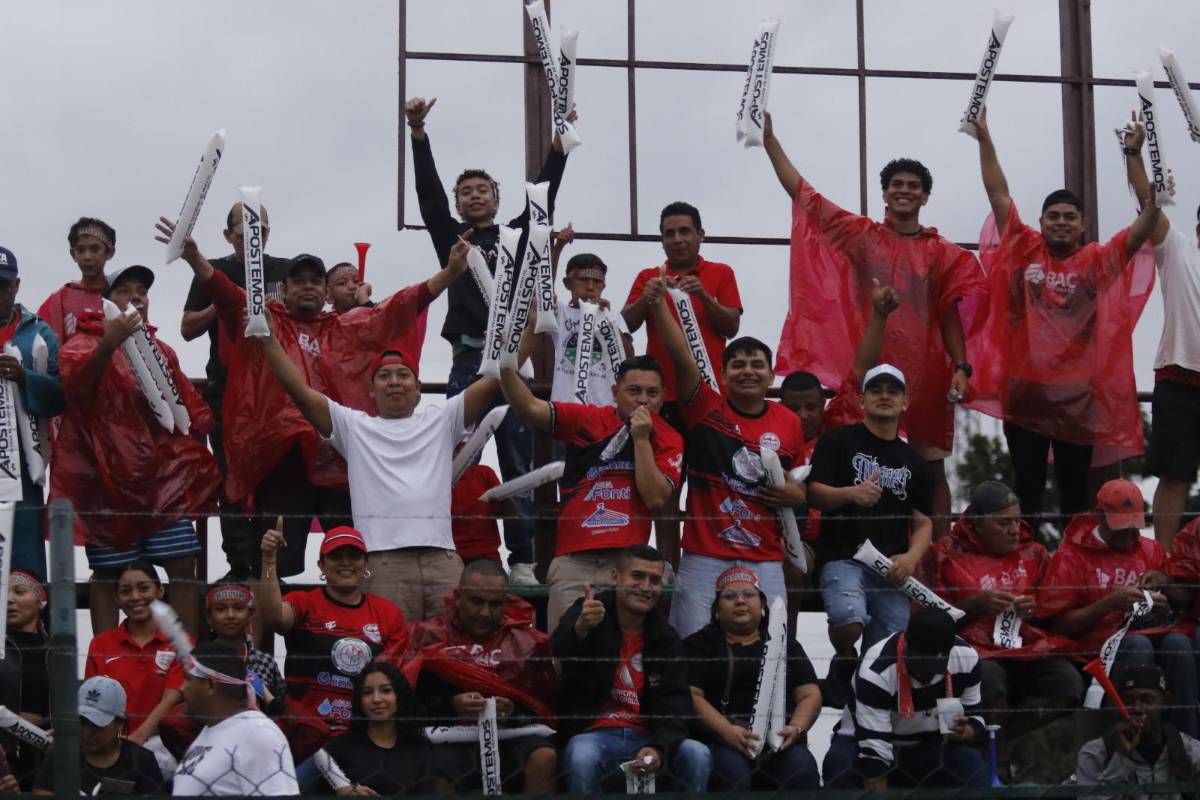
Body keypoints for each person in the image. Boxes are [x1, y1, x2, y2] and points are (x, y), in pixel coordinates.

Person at [253, 236, 533, 620]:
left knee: (448, 652)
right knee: (392, 658)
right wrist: (269, 343)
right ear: (370, 391)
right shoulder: (354, 426)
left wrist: (530, 328)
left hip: (443, 559)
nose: (395, 381)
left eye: (404, 375)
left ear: (419, 390)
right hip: (383, 563)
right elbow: (301, 393)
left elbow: (500, 376)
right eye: (384, 376)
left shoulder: (442, 419)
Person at [157, 219, 431, 579]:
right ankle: (265, 623)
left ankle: (351, 625)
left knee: (348, 552)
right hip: (280, 457)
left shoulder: (345, 327)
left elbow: (399, 307)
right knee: (274, 560)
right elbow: (225, 293)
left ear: (325, 291)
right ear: (282, 290)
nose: (308, 288)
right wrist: (196, 260)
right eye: (299, 281)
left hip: (337, 458)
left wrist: (449, 273)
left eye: (315, 281)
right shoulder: (264, 322)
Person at [765, 112, 985, 542]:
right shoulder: (862, 236)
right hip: (868, 368)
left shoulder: (943, 253)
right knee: (856, 455)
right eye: (896, 184)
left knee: (931, 465)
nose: (904, 190)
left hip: (926, 371)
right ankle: (848, 545)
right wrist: (772, 142)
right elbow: (806, 196)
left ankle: (935, 551)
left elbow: (948, 314)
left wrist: (962, 365)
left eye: (913, 186)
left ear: (925, 196)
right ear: (885, 193)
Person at [966, 110, 1162, 531]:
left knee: (1075, 490)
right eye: (1052, 215)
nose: (1060, 222)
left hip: (1076, 396)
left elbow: (1145, 223)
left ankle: (1069, 577)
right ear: (1040, 223)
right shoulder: (1023, 246)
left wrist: (1134, 155)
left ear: (1083, 225)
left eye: (1068, 217)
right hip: (1027, 391)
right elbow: (998, 193)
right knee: (1028, 486)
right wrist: (984, 138)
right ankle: (1029, 564)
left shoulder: (1097, 260)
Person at [406, 94, 574, 585]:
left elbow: (544, 192)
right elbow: (428, 197)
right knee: (460, 458)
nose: (474, 196)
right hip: (468, 360)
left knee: (518, 457)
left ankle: (522, 559)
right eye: (467, 192)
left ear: (497, 200)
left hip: (514, 362)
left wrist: (561, 146)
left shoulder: (516, 236)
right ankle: (457, 550)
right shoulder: (452, 242)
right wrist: (418, 134)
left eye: (483, 190)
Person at [54, 264, 217, 635]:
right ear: (108, 302)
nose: (136, 296)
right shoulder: (82, 343)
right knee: (109, 572)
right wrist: (109, 342)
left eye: (142, 290)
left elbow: (185, 411)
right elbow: (76, 389)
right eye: (125, 290)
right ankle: (106, 660)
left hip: (160, 485)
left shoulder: (162, 350)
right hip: (104, 483)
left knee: (182, 562)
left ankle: (184, 660)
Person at [646, 288, 806, 639]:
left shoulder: (789, 422)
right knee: (690, 645)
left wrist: (797, 494)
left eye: (756, 364)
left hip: (764, 556)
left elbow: (799, 479)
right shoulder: (706, 408)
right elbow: (681, 356)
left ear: (770, 374)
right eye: (738, 364)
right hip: (704, 555)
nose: (747, 371)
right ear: (723, 373)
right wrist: (659, 307)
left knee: (771, 647)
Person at [500, 354, 682, 629]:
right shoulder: (588, 419)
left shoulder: (668, 437)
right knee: (567, 654)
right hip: (573, 562)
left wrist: (642, 438)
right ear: (615, 392)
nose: (643, 400)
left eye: (652, 393)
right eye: (634, 391)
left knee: (620, 657)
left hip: (626, 564)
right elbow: (527, 406)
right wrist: (505, 360)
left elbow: (655, 496)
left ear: (663, 396)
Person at [929, 481, 1083, 777]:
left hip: (1026, 649)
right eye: (1003, 522)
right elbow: (930, 621)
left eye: (1017, 520)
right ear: (977, 523)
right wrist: (977, 604)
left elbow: (1054, 610)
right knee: (990, 680)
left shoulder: (1034, 552)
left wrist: (1035, 609)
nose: (1014, 529)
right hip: (975, 653)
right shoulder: (945, 553)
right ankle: (995, 764)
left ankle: (997, 742)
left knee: (1067, 684)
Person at [623, 202, 743, 561]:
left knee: (712, 485)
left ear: (700, 235)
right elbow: (626, 323)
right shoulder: (649, 275)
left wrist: (703, 295)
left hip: (708, 400)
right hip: (660, 401)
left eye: (684, 231)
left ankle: (708, 558)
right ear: (661, 241)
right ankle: (665, 565)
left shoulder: (720, 272)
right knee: (664, 488)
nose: (677, 239)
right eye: (669, 233)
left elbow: (732, 327)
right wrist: (648, 299)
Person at [806, 360, 933, 700]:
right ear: (862, 401)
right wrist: (852, 494)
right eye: (876, 390)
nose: (885, 397)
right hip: (843, 557)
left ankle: (861, 705)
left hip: (890, 568)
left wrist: (911, 557)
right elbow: (814, 493)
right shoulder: (837, 441)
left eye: (893, 391)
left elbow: (923, 522)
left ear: (905, 402)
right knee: (849, 619)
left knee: (889, 653)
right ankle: (844, 661)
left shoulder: (916, 461)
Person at [179, 202, 291, 580]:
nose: (254, 240)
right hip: (226, 387)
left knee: (275, 481)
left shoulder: (287, 270)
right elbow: (187, 328)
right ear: (229, 236)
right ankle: (239, 566)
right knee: (231, 479)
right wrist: (225, 300)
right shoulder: (215, 271)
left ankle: (273, 567)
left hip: (278, 389)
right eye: (246, 234)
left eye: (262, 232)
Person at [1038, 480, 1198, 737]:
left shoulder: (1150, 549)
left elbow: (1183, 603)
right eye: (1121, 527)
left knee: (1179, 641)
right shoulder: (1071, 555)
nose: (1129, 534)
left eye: (1133, 526)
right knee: (1138, 646)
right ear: (1098, 515)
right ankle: (1125, 742)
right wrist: (1108, 604)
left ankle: (1190, 743)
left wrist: (1164, 586)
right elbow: (1059, 625)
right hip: (1098, 649)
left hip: (1149, 633)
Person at [553, 544, 711, 794]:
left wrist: (659, 747)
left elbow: (677, 706)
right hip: (594, 734)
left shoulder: (667, 639)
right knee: (580, 755)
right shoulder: (589, 611)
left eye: (655, 580)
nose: (646, 587)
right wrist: (581, 628)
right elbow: (560, 649)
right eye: (637, 576)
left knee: (697, 753)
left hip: (648, 737)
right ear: (616, 577)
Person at [408, 560, 559, 795]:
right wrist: (452, 706)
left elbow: (546, 710)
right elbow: (408, 707)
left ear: (507, 603)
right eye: (476, 601)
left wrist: (512, 713)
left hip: (508, 737)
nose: (485, 613)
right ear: (458, 598)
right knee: (431, 770)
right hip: (448, 741)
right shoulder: (430, 637)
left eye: (495, 604)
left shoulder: (525, 642)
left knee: (543, 757)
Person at [1121, 119, 1200, 551]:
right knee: (1174, 475)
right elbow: (1150, 207)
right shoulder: (1180, 250)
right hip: (1180, 377)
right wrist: (1134, 154)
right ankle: (1167, 562)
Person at [257, 524, 408, 736]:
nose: (346, 563)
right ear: (321, 565)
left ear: (366, 564)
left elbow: (396, 681)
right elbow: (275, 618)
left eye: (354, 556)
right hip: (306, 734)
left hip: (362, 737)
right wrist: (269, 560)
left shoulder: (388, 613)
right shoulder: (304, 602)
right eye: (336, 557)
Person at [684, 567, 821, 790]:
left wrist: (796, 728)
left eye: (749, 594)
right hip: (723, 739)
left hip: (779, 741)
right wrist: (725, 731)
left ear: (763, 607)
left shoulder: (786, 643)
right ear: (717, 610)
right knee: (732, 774)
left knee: (800, 767)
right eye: (729, 596)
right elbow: (692, 695)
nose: (740, 601)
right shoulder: (699, 644)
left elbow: (810, 694)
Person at [823, 607, 989, 789]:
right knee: (839, 766)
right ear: (906, 644)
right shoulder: (876, 671)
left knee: (970, 761)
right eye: (919, 665)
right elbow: (874, 756)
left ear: (948, 652)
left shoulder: (967, 658)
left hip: (931, 744)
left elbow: (977, 720)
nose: (924, 676)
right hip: (862, 742)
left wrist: (965, 732)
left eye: (933, 667)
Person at [0, 246, 65, 579]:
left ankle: (29, 630)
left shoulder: (39, 332)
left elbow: (62, 394)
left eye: (3, 284)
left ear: (16, 285)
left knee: (25, 558)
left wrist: (24, 376)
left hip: (24, 464)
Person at [174, 641, 299, 797]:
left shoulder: (257, 733)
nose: (182, 688)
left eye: (188, 680)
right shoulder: (211, 730)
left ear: (210, 685)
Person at [84, 562, 186, 748]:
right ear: (116, 598)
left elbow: (172, 700)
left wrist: (138, 738)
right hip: (110, 745)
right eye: (125, 591)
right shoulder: (101, 644)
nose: (135, 597)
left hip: (162, 745)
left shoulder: (179, 642)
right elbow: (92, 703)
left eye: (144, 588)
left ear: (160, 590)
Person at [1076, 663, 1200, 795]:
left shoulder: (1189, 751)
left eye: (1147, 700)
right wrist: (1122, 758)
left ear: (1165, 702)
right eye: (1127, 700)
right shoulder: (1094, 754)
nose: (1137, 708)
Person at [33, 676, 163, 796]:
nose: (88, 732)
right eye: (82, 722)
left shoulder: (142, 760)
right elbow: (42, 793)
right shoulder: (62, 755)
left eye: (97, 725)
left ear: (119, 723)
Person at [322, 661, 432, 796]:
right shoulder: (340, 748)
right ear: (359, 701)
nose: (376, 699)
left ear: (399, 695)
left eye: (385, 690)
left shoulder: (419, 748)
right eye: (367, 692)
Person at [549, 247, 634, 407]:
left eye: (597, 282)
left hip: (604, 408)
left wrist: (606, 321)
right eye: (583, 280)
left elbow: (628, 357)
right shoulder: (561, 313)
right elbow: (543, 290)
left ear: (603, 286)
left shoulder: (613, 316)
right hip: (565, 406)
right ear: (568, 284)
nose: (590, 287)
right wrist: (558, 249)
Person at [0, 572, 50, 789]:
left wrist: (47, 723)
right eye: (4, 593)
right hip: (4, 756)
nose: (9, 599)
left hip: (48, 756)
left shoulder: (59, 650)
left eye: (20, 592)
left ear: (42, 601)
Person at [37, 216, 116, 344]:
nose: (87, 257)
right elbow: (38, 342)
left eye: (95, 249)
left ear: (110, 253)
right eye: (80, 250)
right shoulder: (59, 299)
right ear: (73, 254)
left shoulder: (120, 293)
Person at [205, 582, 284, 702]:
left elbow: (279, 710)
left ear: (250, 615)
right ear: (209, 618)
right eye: (221, 609)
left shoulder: (265, 662)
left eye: (238, 608)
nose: (230, 615)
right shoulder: (200, 662)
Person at [450, 453, 506, 565]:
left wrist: (506, 496)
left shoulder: (484, 473)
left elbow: (509, 513)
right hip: (448, 556)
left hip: (486, 556)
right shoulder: (435, 478)